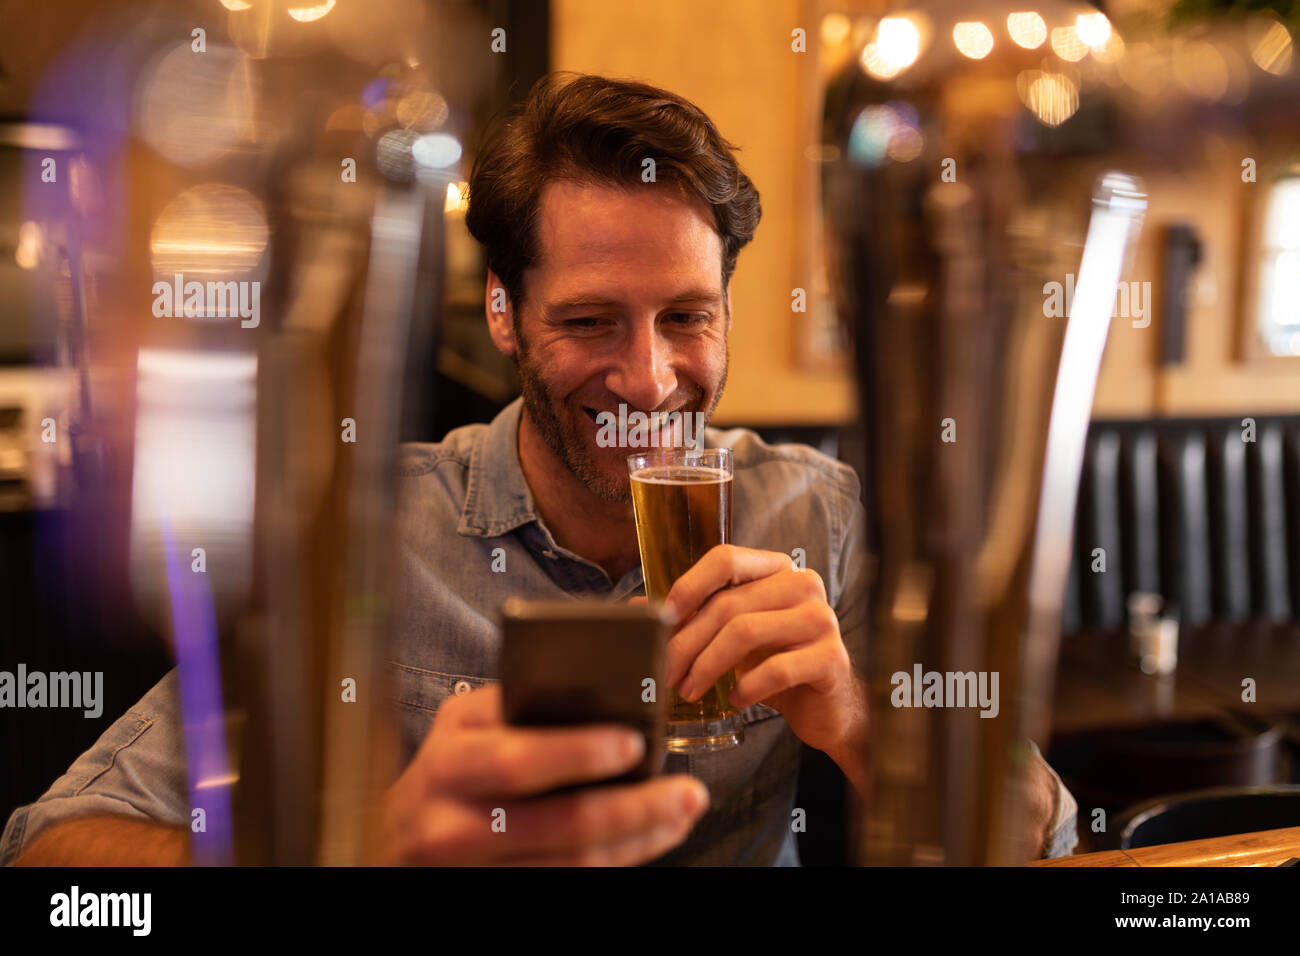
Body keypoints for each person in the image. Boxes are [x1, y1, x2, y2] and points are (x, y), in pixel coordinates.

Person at [3, 72, 1077, 867]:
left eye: (686, 318)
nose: (650, 379)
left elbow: (1043, 829)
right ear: (505, 317)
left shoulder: (822, 514)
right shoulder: (369, 530)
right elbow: (55, 857)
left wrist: (851, 709)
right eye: (591, 320)